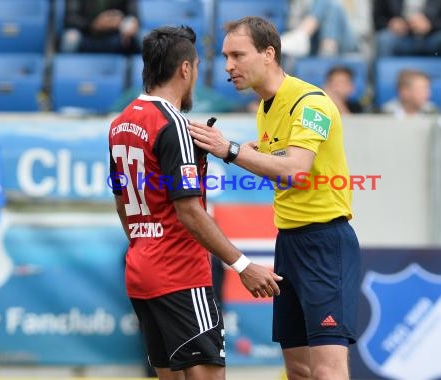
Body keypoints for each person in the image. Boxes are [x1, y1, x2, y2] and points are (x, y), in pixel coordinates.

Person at [188, 16, 361, 380]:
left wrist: (230, 149)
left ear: (269, 54)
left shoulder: (310, 102)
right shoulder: (267, 106)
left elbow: (296, 169)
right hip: (289, 243)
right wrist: (237, 149)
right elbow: (278, 158)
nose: (228, 66)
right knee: (297, 370)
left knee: (328, 371)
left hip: (325, 243)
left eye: (237, 55)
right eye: (224, 57)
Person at [108, 25, 282, 380]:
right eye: (199, 66)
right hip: (180, 273)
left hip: (141, 270)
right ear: (185, 69)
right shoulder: (173, 125)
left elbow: (122, 198)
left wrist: (145, 243)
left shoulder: (121, 122)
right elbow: (189, 210)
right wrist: (243, 265)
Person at [373, 0, 441, 115]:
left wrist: (430, 24)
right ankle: (379, 103)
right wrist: (391, 24)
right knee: (383, 40)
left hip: (434, 38)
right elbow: (377, 21)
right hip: (401, 38)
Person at [281, 0, 359, 57]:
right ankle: (327, 54)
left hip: (347, 40)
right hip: (314, 41)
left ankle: (301, 36)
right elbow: (293, 21)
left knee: (332, 6)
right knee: (329, 5)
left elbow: (362, 27)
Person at [60, 0, 140, 54]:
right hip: (86, 35)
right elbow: (70, 19)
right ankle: (68, 72)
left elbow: (133, 16)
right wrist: (93, 24)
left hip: (117, 35)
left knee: (145, 38)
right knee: (70, 37)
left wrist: (128, 26)